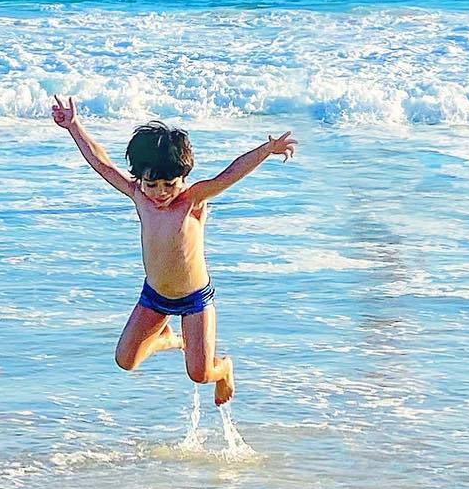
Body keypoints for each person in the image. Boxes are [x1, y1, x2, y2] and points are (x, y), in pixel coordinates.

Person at [50, 97, 297, 405]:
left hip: (195, 299)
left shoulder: (193, 200)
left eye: (170, 184)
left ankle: (225, 369)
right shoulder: (139, 195)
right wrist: (73, 126)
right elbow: (102, 164)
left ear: (184, 178)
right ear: (141, 179)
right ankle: (167, 338)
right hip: (154, 297)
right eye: (152, 185)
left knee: (200, 373)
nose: (161, 193)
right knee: (125, 360)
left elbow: (229, 175)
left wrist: (267, 150)